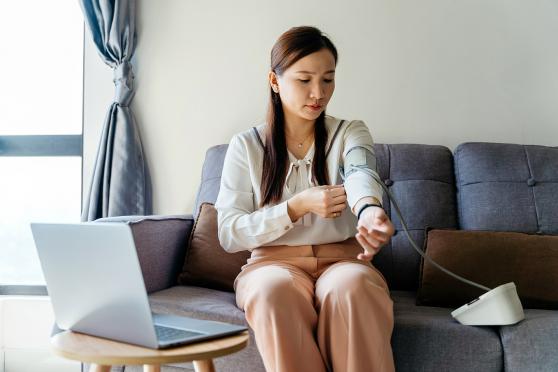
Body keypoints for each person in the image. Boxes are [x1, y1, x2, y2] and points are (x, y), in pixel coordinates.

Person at [215, 26, 396, 372]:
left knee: (352, 287)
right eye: (304, 80)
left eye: (328, 80)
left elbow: (360, 173)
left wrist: (370, 210)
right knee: (272, 291)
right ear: (274, 80)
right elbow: (229, 232)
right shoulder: (246, 145)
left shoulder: (349, 132)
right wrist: (296, 207)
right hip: (271, 264)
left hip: (344, 260)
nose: (318, 93)